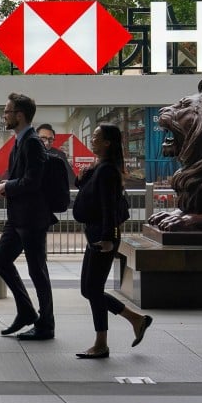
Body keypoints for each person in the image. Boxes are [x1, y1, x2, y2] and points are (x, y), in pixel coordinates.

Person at [73, 123, 153, 359]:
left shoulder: (108, 171)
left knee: (93, 290)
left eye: (96, 137)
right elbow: (89, 191)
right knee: (88, 289)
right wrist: (85, 175)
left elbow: (108, 208)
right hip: (96, 234)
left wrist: (108, 239)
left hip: (103, 237)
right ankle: (136, 319)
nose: (92, 140)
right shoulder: (102, 168)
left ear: (107, 142)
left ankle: (101, 344)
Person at [0, 93, 57, 341]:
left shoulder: (31, 142)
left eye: (7, 111)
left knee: (37, 270)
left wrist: (8, 187)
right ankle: (27, 311)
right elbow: (21, 177)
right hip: (17, 217)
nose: (4, 115)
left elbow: (33, 181)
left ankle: (46, 324)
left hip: (31, 218)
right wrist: (6, 184)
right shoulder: (20, 140)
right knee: (0, 259)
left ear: (19, 115)